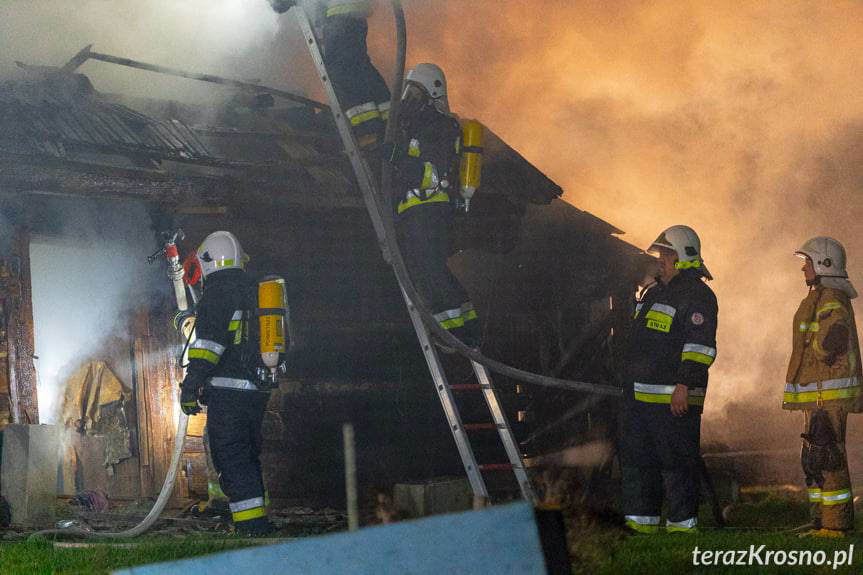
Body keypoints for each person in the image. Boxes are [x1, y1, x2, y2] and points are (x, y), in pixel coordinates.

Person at [180, 231, 286, 536]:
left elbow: (208, 347)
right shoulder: (252, 290)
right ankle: (255, 519)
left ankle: (251, 527)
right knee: (246, 455)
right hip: (256, 390)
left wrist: (191, 386)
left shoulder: (218, 293)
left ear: (208, 262)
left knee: (232, 456)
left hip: (229, 393)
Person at [619, 225, 718, 534]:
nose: (659, 260)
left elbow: (699, 346)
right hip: (641, 397)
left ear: (682, 257)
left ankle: (682, 525)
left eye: (665, 254)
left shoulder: (698, 296)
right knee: (639, 460)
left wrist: (684, 385)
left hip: (674, 398)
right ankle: (641, 525)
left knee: (676, 462)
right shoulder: (656, 293)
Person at [391, 63, 480, 347]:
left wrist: (398, 160)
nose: (409, 100)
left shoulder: (439, 125)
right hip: (414, 211)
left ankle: (460, 332)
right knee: (427, 271)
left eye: (415, 94)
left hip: (429, 209)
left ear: (432, 95)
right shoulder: (414, 126)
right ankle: (459, 327)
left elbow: (433, 173)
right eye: (408, 93)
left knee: (431, 270)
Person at [784, 237, 861, 537]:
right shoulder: (818, 296)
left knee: (829, 459)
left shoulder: (831, 298)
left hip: (827, 396)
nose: (803, 267)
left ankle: (836, 525)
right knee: (815, 460)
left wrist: (822, 346)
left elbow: (833, 338)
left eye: (807, 262)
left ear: (823, 264)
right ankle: (820, 520)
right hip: (817, 395)